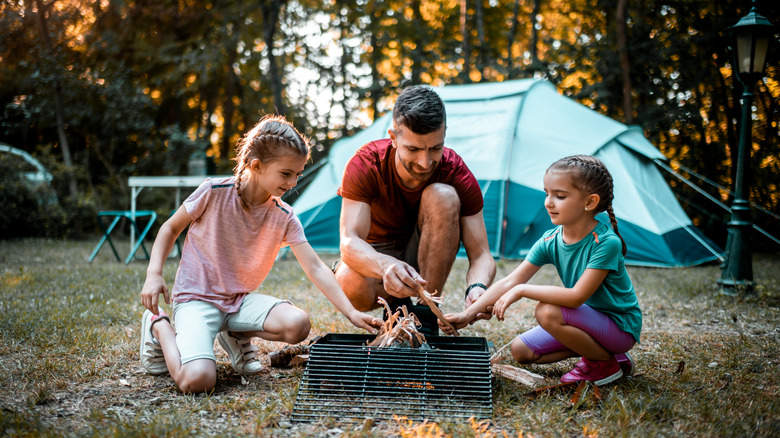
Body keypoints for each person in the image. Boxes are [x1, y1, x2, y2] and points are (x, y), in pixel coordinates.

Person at [139, 115, 380, 394]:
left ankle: (235, 333)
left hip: (238, 302)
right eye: (286, 173)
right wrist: (153, 274)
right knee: (198, 381)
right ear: (256, 165)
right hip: (196, 299)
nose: (293, 183)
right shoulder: (213, 191)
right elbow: (170, 228)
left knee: (298, 324)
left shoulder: (285, 216)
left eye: (298, 174)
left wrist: (350, 311)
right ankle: (158, 325)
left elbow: (314, 267)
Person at [443, 155, 642, 385]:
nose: (548, 202)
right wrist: (468, 315)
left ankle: (602, 364)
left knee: (547, 311)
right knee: (521, 351)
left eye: (560, 196)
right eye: (547, 193)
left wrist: (522, 290)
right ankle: (609, 356)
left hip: (619, 327)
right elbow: (510, 280)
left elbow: (576, 297)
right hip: (587, 322)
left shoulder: (606, 243)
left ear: (590, 202)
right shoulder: (550, 240)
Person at [334, 85, 496, 336]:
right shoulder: (366, 163)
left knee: (442, 194)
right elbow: (349, 241)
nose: (425, 162)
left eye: (435, 148)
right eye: (413, 149)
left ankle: (425, 313)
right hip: (377, 254)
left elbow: (481, 254)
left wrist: (478, 287)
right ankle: (397, 305)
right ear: (393, 137)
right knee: (350, 286)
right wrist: (385, 265)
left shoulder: (455, 171)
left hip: (425, 253)